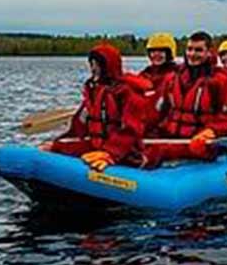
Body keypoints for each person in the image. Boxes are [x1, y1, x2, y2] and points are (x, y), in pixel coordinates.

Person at [45, 43, 153, 171]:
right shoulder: (93, 91)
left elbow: (131, 129)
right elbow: (79, 124)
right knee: (55, 148)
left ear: (108, 67)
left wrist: (110, 153)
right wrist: (59, 144)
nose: (93, 68)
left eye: (97, 65)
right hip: (97, 145)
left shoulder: (127, 92)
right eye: (92, 64)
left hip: (124, 151)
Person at [147, 31, 227, 165]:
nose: (192, 54)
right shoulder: (172, 78)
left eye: (198, 50)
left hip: (200, 143)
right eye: (189, 49)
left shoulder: (220, 81)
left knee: (160, 153)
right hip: (172, 137)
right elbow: (157, 111)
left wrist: (210, 132)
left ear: (209, 52)